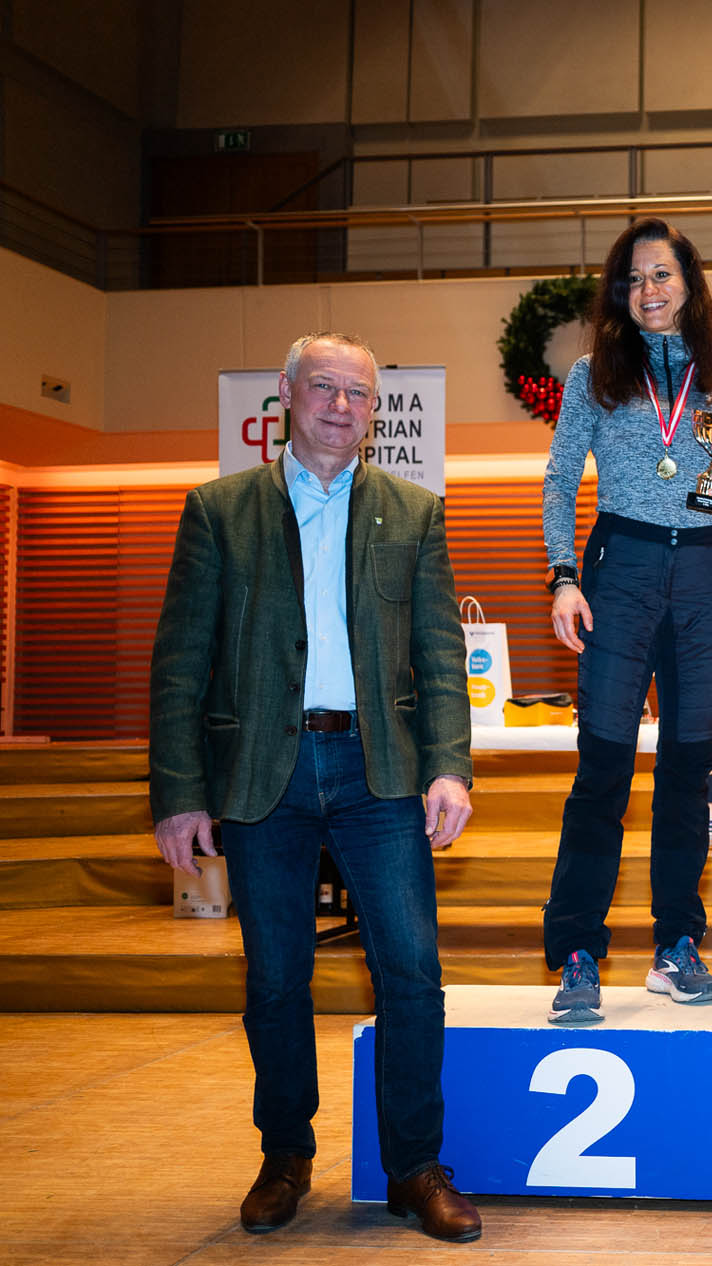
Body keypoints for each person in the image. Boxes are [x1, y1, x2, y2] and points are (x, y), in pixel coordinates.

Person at [149, 332, 480, 1240]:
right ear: (286, 395)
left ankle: (414, 1168)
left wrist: (449, 763)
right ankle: (285, 1157)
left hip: (381, 772)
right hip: (266, 773)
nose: (341, 405)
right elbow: (180, 660)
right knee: (275, 980)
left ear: (375, 409)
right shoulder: (219, 511)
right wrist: (178, 791)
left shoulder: (415, 512)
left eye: (358, 393)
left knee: (412, 973)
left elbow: (439, 654)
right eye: (324, 387)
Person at [541, 217, 712, 1022]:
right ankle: (577, 952)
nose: (649, 290)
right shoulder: (593, 376)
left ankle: (677, 945)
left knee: (686, 770)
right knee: (603, 769)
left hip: (706, 572)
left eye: (662, 275)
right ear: (620, 291)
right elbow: (560, 478)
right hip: (622, 568)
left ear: (688, 282)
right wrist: (564, 576)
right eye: (635, 278)